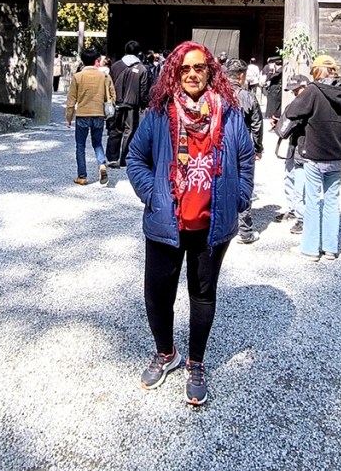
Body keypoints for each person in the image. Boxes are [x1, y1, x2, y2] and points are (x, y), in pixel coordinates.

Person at [126, 41, 255, 406]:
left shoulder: (228, 113)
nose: (192, 74)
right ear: (174, 73)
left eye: (199, 67)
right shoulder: (160, 113)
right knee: (157, 294)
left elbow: (245, 158)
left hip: (212, 225)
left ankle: (196, 362)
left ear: (210, 71)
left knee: (202, 295)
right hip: (167, 221)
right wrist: (153, 194)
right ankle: (166, 353)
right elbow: (135, 157)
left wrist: (239, 197)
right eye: (184, 69)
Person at [282, 55, 341, 262]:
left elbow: (292, 111)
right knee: (332, 201)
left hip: (315, 155)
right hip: (338, 156)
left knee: (313, 202)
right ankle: (330, 248)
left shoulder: (313, 90)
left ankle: (310, 249)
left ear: (316, 71)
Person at [223, 58, 263, 244]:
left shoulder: (216, 94)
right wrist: (258, 147)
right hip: (243, 144)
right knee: (244, 183)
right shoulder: (248, 96)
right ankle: (244, 230)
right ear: (241, 76)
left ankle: (222, 223)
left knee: (220, 181)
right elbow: (257, 124)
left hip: (220, 143)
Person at [66, 46, 115, 186]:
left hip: (82, 114)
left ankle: (82, 176)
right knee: (97, 143)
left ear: (82, 60)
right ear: (95, 60)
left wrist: (69, 118)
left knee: (80, 145)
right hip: (98, 113)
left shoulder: (78, 76)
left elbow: (71, 101)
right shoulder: (103, 76)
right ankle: (102, 164)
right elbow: (112, 95)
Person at [273, 74, 310, 234]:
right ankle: (293, 210)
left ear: (305, 86)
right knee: (289, 177)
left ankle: (303, 217)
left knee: (301, 182)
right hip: (293, 144)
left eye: (297, 89)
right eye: (293, 90)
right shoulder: (295, 104)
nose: (295, 93)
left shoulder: (311, 103)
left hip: (305, 146)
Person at [107, 40, 150, 168]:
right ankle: (125, 159)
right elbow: (143, 89)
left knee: (114, 130)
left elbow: (109, 84)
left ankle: (112, 157)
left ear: (125, 50)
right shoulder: (142, 68)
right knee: (129, 132)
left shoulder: (115, 66)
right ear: (138, 52)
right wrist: (144, 104)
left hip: (116, 103)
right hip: (132, 105)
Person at [262, 56, 283, 123]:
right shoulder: (277, 70)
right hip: (274, 91)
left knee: (274, 107)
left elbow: (272, 77)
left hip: (276, 91)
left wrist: (271, 73)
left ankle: (274, 119)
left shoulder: (280, 70)